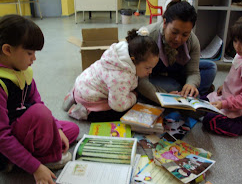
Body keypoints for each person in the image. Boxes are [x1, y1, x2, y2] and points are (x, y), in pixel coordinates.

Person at [0, 15, 79, 183]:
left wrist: (57, 129)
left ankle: (20, 158)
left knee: (71, 129)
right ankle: (33, 160)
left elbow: (37, 101)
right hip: (5, 142)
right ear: (7, 50)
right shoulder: (1, 83)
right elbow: (2, 136)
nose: (34, 58)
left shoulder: (22, 72)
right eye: (29, 53)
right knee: (40, 114)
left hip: (24, 127)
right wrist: (35, 168)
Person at [63, 27, 159, 122]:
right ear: (133, 60)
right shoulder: (121, 77)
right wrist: (133, 96)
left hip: (83, 83)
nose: (150, 72)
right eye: (147, 68)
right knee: (122, 112)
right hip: (89, 99)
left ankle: (74, 97)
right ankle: (81, 111)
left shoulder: (121, 53)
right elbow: (118, 106)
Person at [137, 0, 217, 104]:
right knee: (173, 86)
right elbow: (141, 79)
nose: (178, 39)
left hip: (176, 73)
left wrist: (191, 84)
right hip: (153, 76)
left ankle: (185, 94)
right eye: (174, 32)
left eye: (185, 34)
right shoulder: (148, 37)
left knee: (210, 68)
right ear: (165, 23)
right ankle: (185, 96)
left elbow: (193, 72)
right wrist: (163, 97)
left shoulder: (192, 41)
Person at [202, 14, 242, 136]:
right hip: (228, 98)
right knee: (199, 102)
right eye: (235, 41)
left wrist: (224, 104)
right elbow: (236, 79)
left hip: (241, 108)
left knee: (210, 121)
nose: (237, 46)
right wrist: (225, 87)